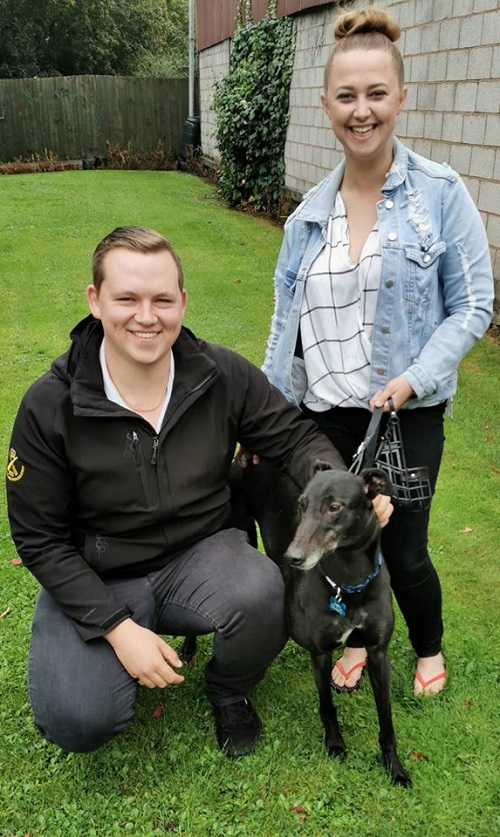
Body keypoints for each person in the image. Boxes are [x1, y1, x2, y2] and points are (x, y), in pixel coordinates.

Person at [5, 225, 392, 757]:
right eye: (127, 299)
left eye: (162, 299)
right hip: (101, 572)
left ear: (182, 302)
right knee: (78, 720)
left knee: (266, 590)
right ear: (95, 301)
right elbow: (39, 540)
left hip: (201, 555)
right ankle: (108, 658)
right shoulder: (50, 406)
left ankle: (228, 690)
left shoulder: (222, 374)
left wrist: (339, 488)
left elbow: (295, 437)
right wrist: (116, 628)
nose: (147, 316)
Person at [257, 6, 494, 696]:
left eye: (376, 94)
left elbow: (473, 304)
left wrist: (413, 378)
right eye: (346, 96)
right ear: (327, 103)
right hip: (324, 413)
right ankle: (356, 638)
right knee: (342, 548)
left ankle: (426, 646)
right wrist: (267, 413)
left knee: (404, 547)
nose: (362, 111)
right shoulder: (308, 216)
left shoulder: (441, 195)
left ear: (401, 97)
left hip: (404, 412)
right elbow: (285, 323)